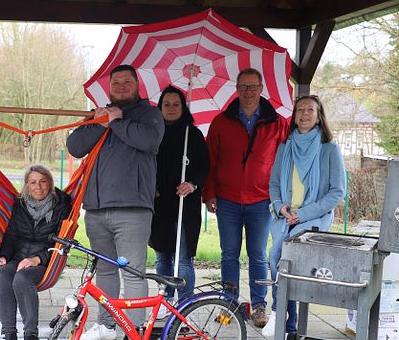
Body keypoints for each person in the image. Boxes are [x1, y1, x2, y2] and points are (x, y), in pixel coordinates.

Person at [66, 64, 164, 340]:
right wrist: (101, 122)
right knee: (106, 271)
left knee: (132, 273)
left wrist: (117, 121)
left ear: (137, 85)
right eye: (116, 83)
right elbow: (75, 146)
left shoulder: (150, 114)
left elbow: (148, 141)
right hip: (96, 209)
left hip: (132, 209)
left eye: (126, 82)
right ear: (109, 88)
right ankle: (106, 326)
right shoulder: (100, 115)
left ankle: (133, 332)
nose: (121, 87)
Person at [203, 68, 288, 328]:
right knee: (228, 253)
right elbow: (210, 161)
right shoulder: (221, 122)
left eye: (252, 87)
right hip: (227, 199)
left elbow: (285, 163)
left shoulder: (277, 122)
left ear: (261, 88)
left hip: (262, 201)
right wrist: (209, 193)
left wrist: (281, 198)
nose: (248, 92)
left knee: (258, 255)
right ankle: (229, 304)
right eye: (243, 87)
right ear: (236, 89)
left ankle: (259, 304)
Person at [262, 95, 346, 338]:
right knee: (278, 256)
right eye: (300, 110)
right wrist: (280, 206)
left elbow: (337, 192)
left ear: (319, 116)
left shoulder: (329, 149)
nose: (304, 114)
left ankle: (279, 312)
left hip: (313, 218)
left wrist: (303, 214)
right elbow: (274, 184)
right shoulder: (284, 147)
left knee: (283, 255)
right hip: (285, 217)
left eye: (310, 110)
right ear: (294, 115)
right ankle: (288, 323)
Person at [0, 165, 72, 340]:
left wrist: (38, 259)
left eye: (43, 182)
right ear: (27, 186)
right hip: (18, 257)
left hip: (46, 261)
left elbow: (62, 241)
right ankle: (9, 333)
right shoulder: (20, 204)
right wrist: (3, 256)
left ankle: (31, 334)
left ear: (50, 184)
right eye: (33, 182)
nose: (38, 187)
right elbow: (11, 234)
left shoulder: (61, 205)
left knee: (22, 278)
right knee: (4, 274)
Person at [149, 85, 209, 306]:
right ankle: (164, 301)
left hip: (186, 205)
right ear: (160, 107)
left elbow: (204, 166)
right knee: (162, 257)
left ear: (183, 107)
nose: (171, 108)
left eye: (176, 104)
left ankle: (185, 304)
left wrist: (192, 184)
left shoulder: (192, 134)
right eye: (167, 104)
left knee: (183, 259)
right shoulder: (153, 133)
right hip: (159, 205)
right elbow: (146, 165)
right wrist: (151, 186)